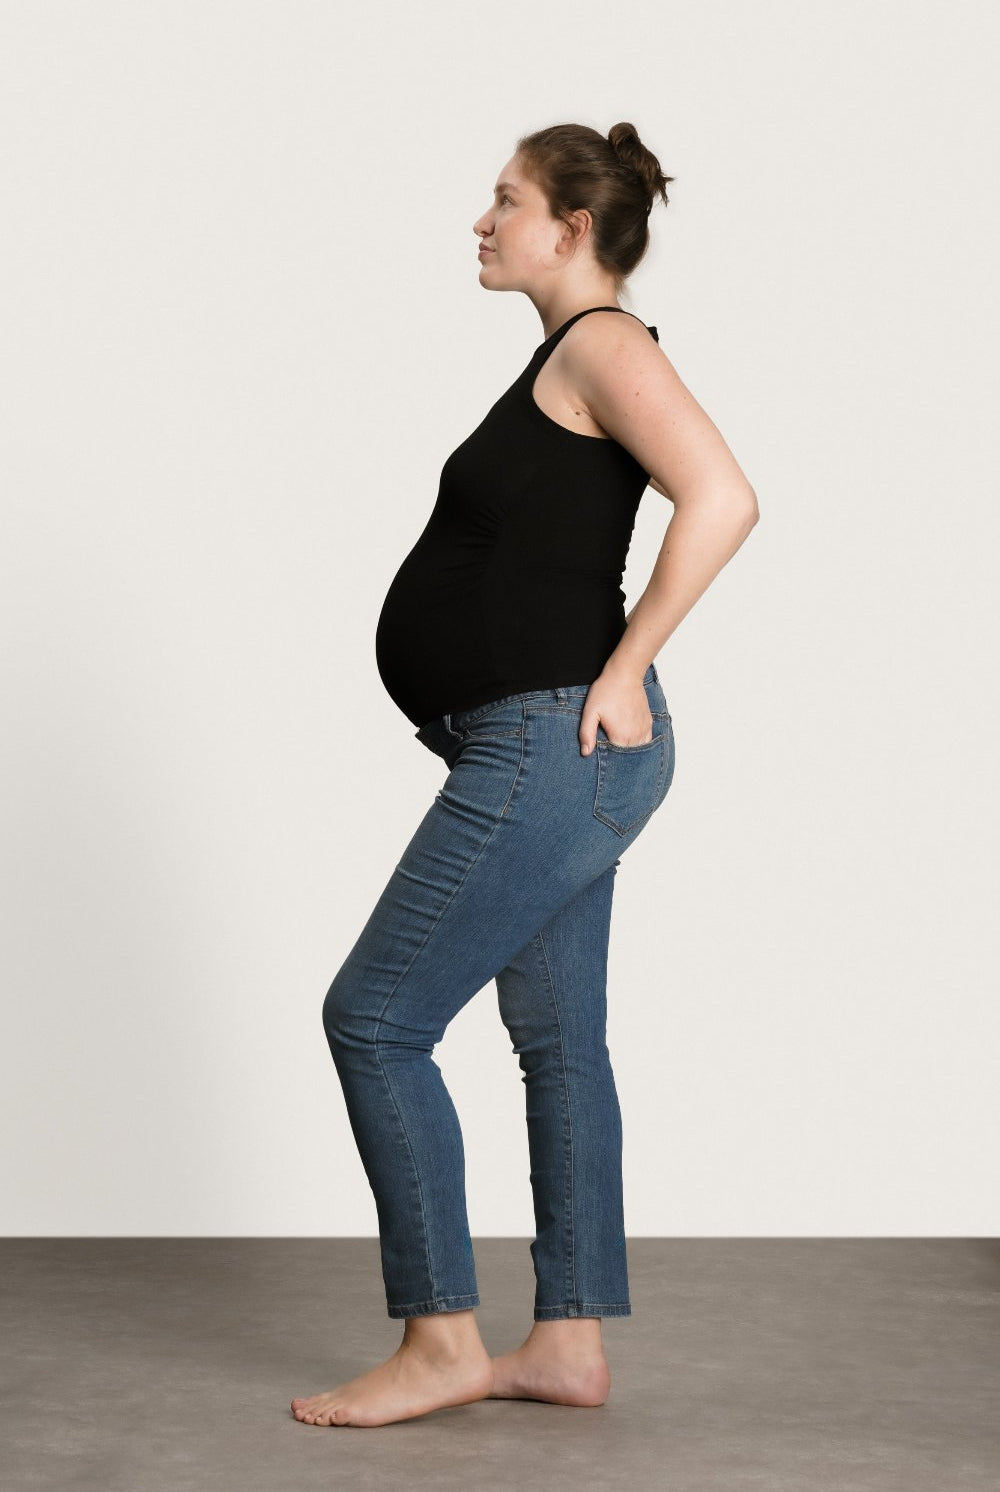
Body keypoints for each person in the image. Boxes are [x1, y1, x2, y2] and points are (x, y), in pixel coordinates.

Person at [292, 121, 759, 1429]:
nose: (483, 221)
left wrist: (628, 666)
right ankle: (566, 1341)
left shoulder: (604, 342)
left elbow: (722, 496)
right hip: (553, 747)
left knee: (375, 1020)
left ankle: (440, 1339)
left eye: (506, 200)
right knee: (558, 1042)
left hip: (554, 743)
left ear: (572, 229)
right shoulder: (569, 356)